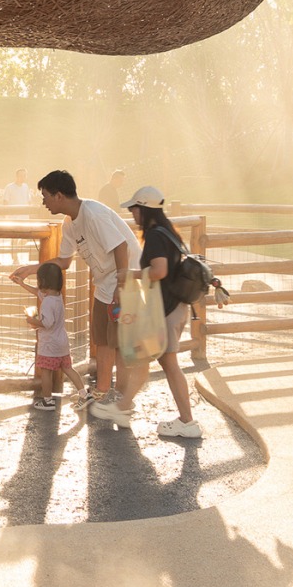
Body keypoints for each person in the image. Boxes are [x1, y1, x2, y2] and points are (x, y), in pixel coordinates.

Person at [12, 169, 138, 404]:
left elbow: (121, 247)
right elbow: (64, 261)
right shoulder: (69, 224)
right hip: (103, 284)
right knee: (102, 339)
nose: (44, 202)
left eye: (46, 196)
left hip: (125, 279)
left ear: (59, 195)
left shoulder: (93, 213)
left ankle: (121, 396)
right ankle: (101, 391)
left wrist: (122, 286)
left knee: (119, 341)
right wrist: (32, 268)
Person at [90, 185, 202, 438]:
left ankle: (186, 421)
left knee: (163, 362)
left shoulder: (154, 236)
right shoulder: (168, 232)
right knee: (148, 358)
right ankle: (124, 407)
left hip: (167, 309)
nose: (132, 214)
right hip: (175, 307)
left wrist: (132, 275)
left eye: (134, 209)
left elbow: (160, 271)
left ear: (143, 209)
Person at [14, 261, 86, 410]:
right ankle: (84, 394)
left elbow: (47, 323)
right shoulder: (57, 296)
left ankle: (48, 401)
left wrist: (32, 321)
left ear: (43, 281)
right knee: (68, 368)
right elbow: (37, 292)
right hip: (62, 342)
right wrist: (21, 283)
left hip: (49, 344)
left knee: (46, 372)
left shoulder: (47, 302)